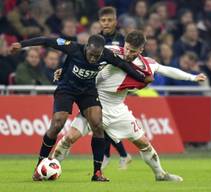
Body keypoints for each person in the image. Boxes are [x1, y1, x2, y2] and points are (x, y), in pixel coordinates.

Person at [52, 30, 206, 181]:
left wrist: (192, 77)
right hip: (94, 104)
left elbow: (166, 70)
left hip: (117, 109)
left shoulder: (146, 64)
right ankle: (50, 167)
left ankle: (161, 174)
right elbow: (82, 54)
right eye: (126, 48)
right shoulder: (110, 51)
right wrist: (64, 71)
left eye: (132, 51)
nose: (127, 53)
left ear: (141, 50)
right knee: (68, 139)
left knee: (143, 143)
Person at [10, 34, 152, 182]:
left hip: (88, 92)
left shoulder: (107, 55)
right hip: (67, 89)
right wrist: (21, 44)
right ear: (86, 48)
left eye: (97, 56)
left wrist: (142, 78)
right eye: (91, 55)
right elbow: (47, 40)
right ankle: (40, 166)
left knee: (97, 125)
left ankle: (97, 173)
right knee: (58, 123)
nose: (93, 59)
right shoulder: (72, 48)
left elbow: (125, 66)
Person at [98, 6, 131, 169]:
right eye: (103, 20)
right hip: (99, 86)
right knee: (102, 124)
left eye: (109, 20)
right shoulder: (96, 39)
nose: (106, 23)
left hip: (116, 87)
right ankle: (120, 155)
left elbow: (129, 61)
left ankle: (111, 155)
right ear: (99, 22)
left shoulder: (123, 39)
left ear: (115, 22)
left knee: (103, 123)